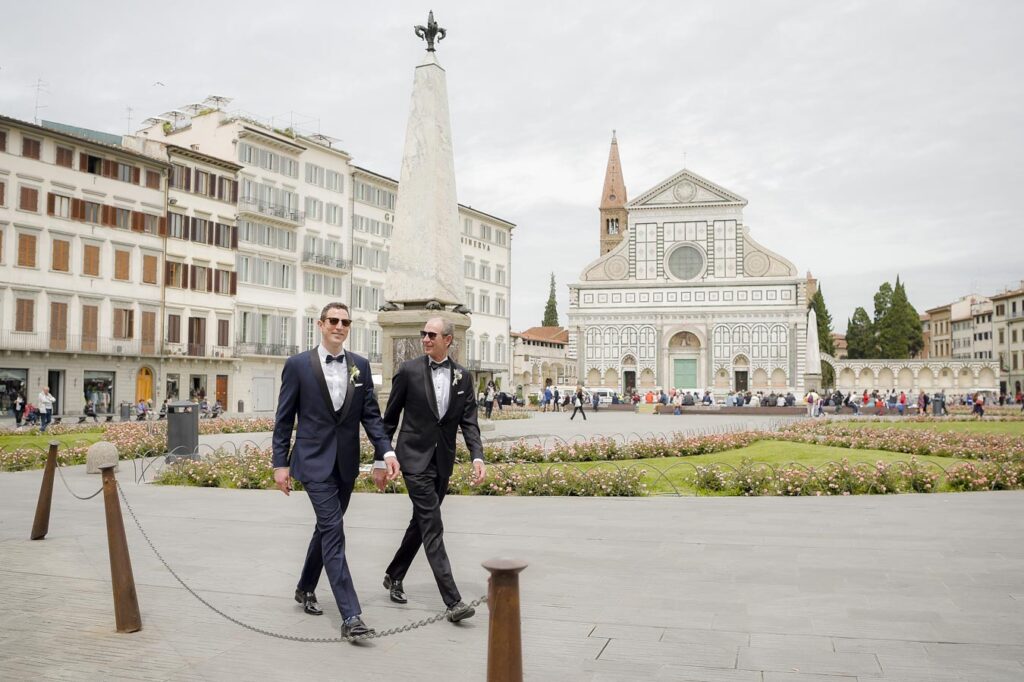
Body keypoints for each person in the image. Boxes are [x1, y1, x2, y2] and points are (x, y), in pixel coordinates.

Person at [272, 302, 395, 640]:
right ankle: (351, 616)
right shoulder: (298, 365)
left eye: (345, 322)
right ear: (320, 324)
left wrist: (385, 452)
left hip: (345, 464)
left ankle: (305, 587)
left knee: (326, 529)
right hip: (312, 462)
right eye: (334, 321)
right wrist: (280, 464)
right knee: (334, 532)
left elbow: (371, 415)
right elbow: (284, 420)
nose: (339, 326)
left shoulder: (360, 366)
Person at [378, 317, 485, 624]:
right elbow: (389, 420)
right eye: (423, 333)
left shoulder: (463, 377)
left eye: (431, 334)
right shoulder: (408, 371)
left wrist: (477, 457)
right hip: (413, 459)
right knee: (433, 524)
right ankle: (453, 601)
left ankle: (394, 574)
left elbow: (469, 422)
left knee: (421, 523)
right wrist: (380, 459)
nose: (425, 338)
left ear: (448, 340)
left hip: (442, 462)